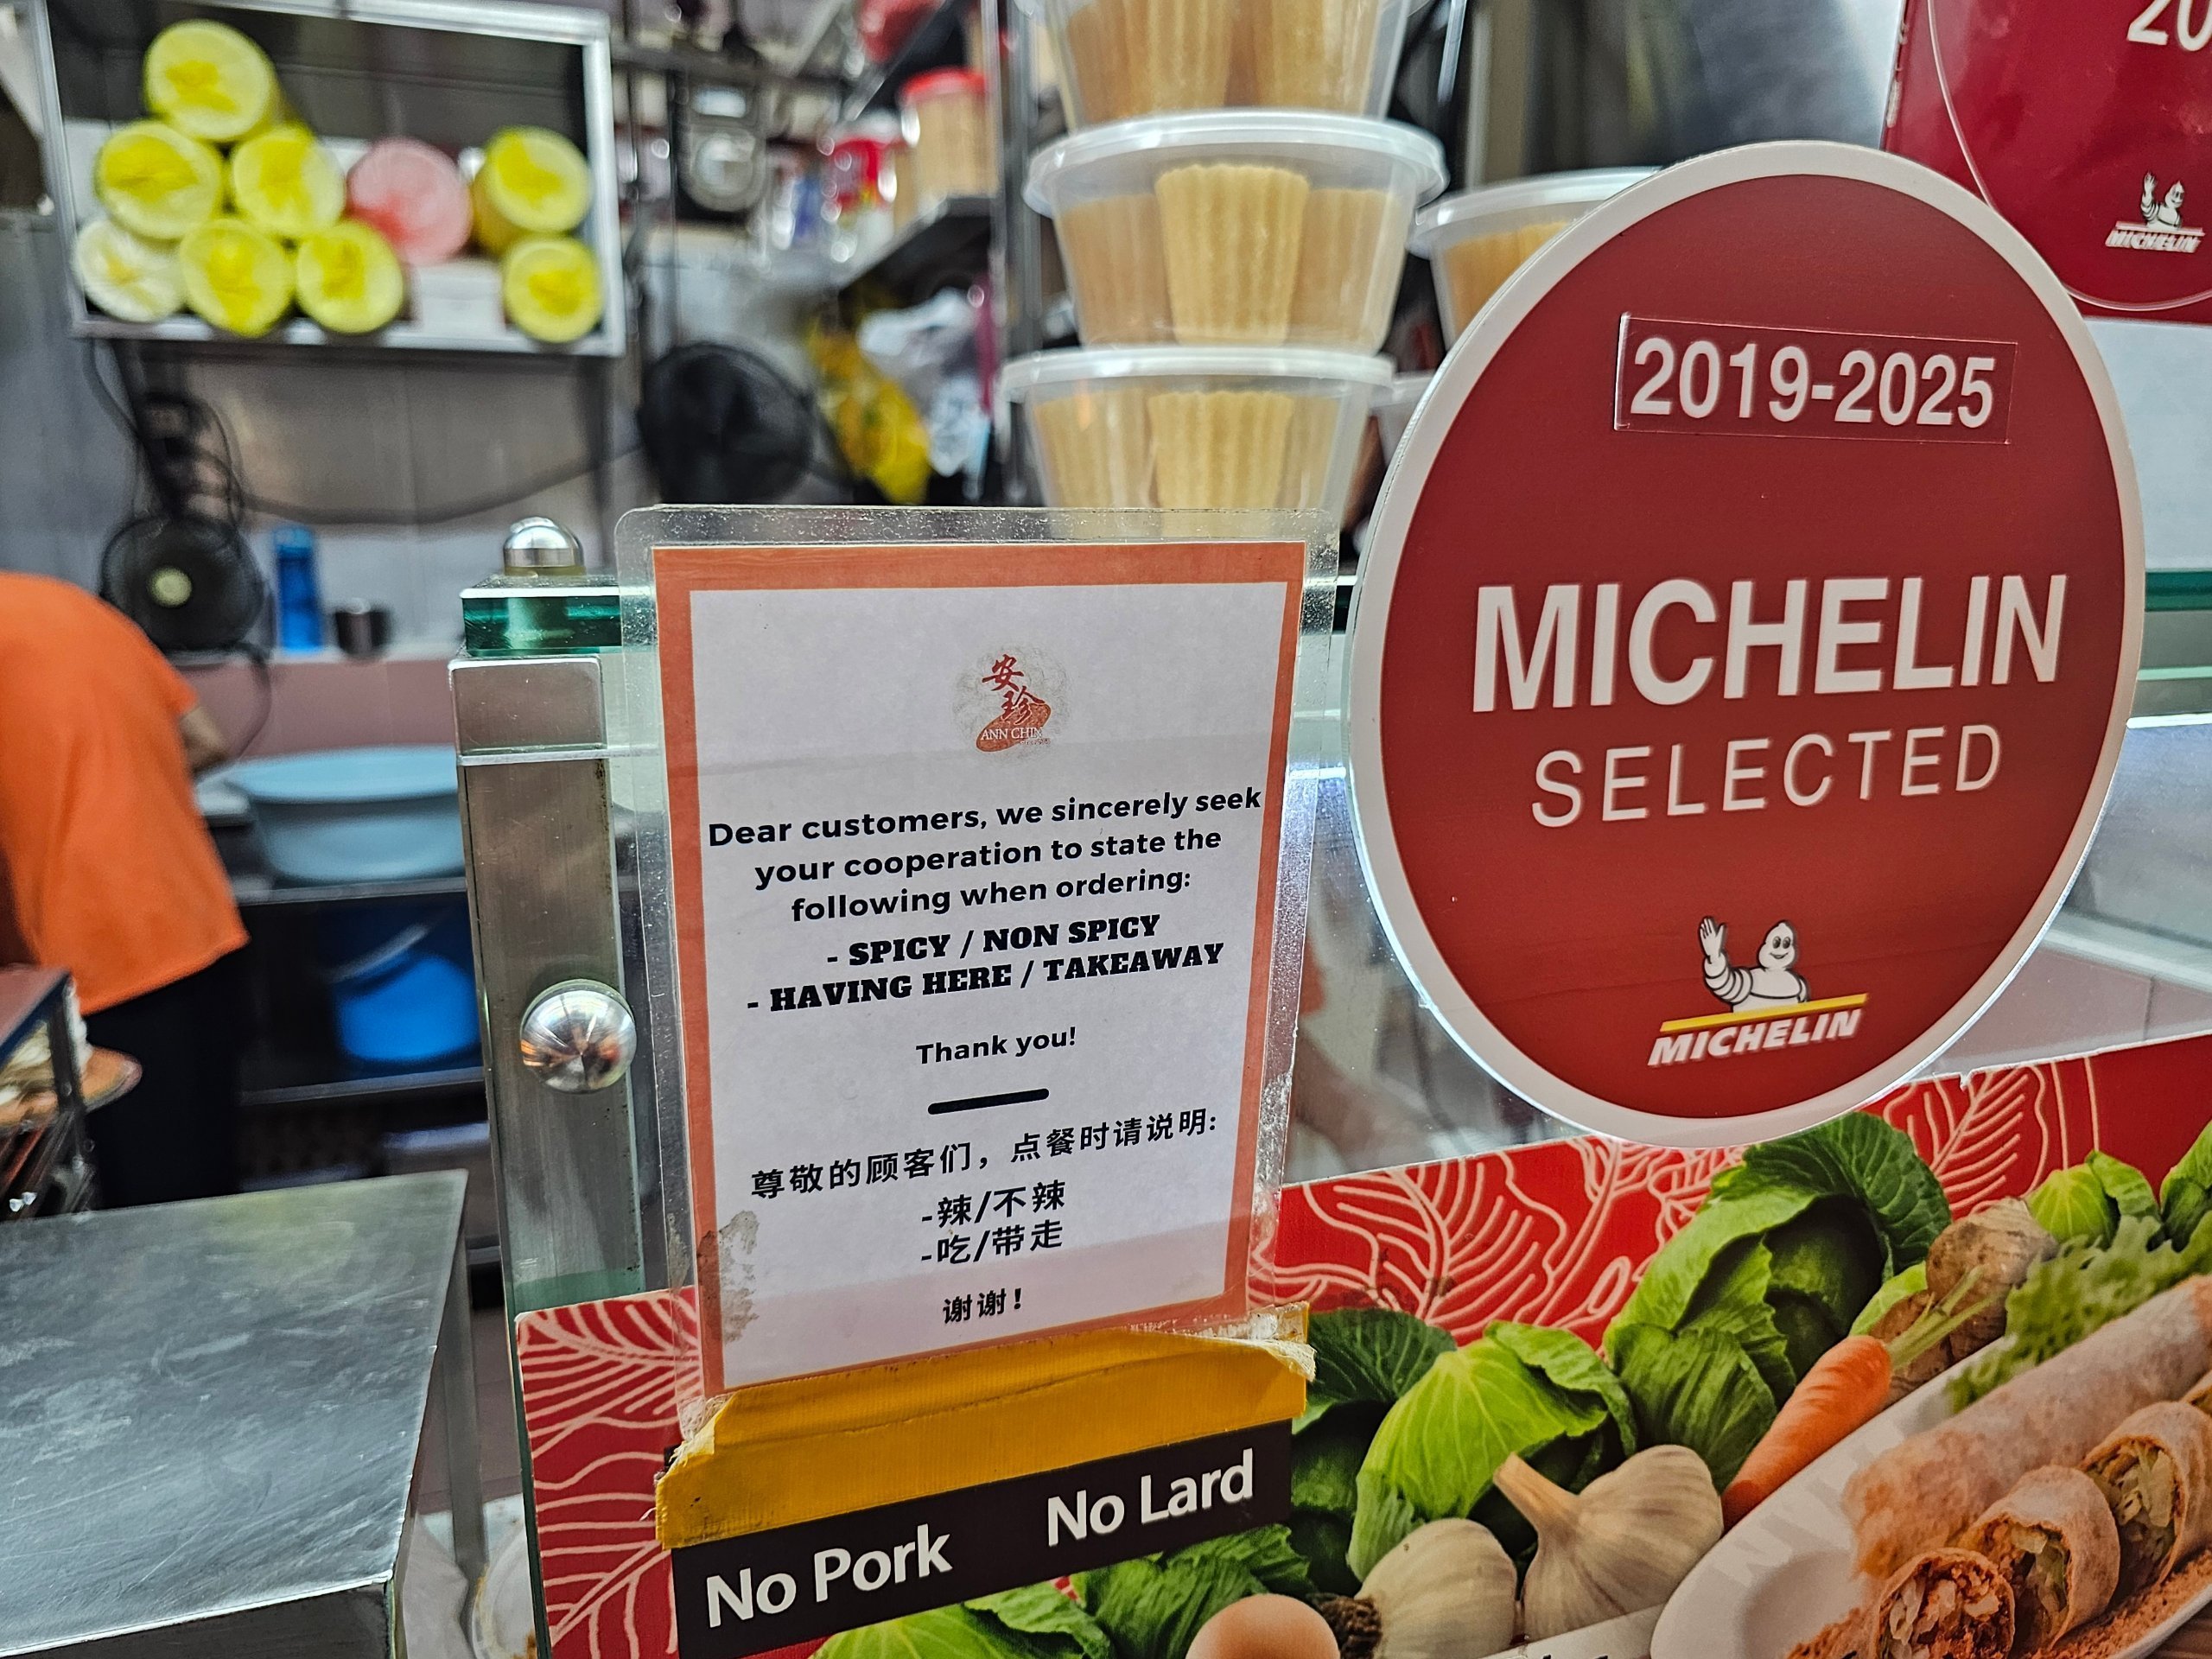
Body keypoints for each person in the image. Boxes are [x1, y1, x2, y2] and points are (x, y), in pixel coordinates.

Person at [0, 572, 247, 1205]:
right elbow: (207, 740)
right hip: (199, 927)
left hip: (94, 959)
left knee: (142, 1215)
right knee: (208, 1193)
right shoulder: (75, 606)